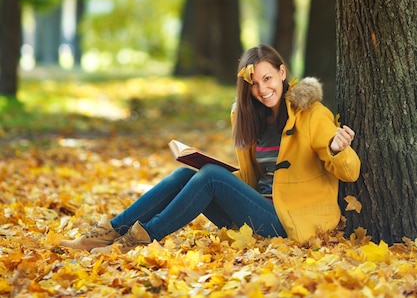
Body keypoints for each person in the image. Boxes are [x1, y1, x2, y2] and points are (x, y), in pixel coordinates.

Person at [59, 44, 360, 254]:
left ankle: (137, 240)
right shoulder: (248, 116)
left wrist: (336, 148)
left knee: (211, 176)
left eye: (268, 78)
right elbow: (254, 178)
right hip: (258, 207)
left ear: (282, 73)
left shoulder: (312, 113)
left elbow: (349, 172)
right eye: (254, 83)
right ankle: (107, 233)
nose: (262, 89)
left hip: (290, 221)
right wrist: (215, 169)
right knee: (183, 175)